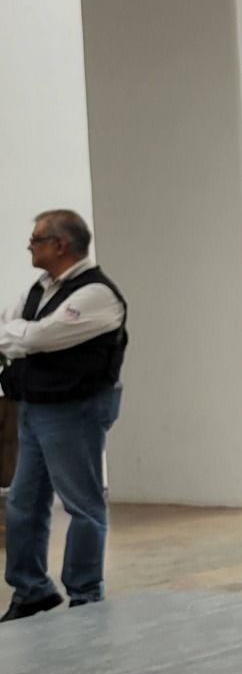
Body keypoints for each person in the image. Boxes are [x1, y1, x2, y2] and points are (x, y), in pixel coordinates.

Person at [1, 210, 126, 621]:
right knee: (23, 502)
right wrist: (22, 336)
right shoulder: (39, 288)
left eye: (36, 239)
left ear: (60, 245)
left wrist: (22, 336)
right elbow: (11, 329)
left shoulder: (96, 294)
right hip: (34, 406)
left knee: (82, 504)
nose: (29, 246)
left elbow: (42, 336)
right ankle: (31, 589)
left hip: (74, 410)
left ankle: (85, 595)